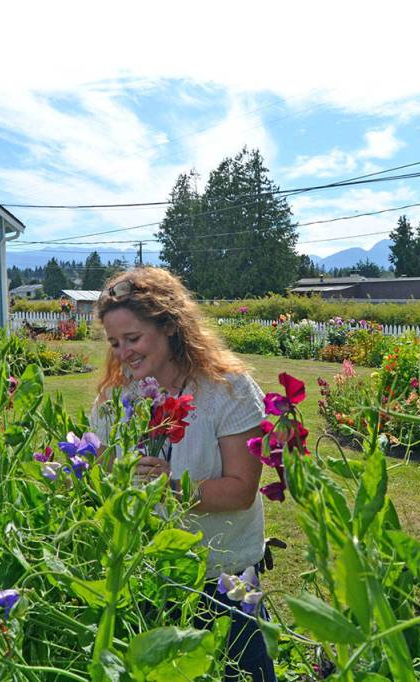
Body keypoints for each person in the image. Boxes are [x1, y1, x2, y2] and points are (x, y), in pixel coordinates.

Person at [90, 267, 277, 682]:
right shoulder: (117, 399)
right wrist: (107, 475)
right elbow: (98, 473)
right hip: (151, 579)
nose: (123, 353)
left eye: (133, 339)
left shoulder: (226, 390)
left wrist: (170, 486)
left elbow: (242, 491)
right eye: (115, 342)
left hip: (223, 583)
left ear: (171, 326)